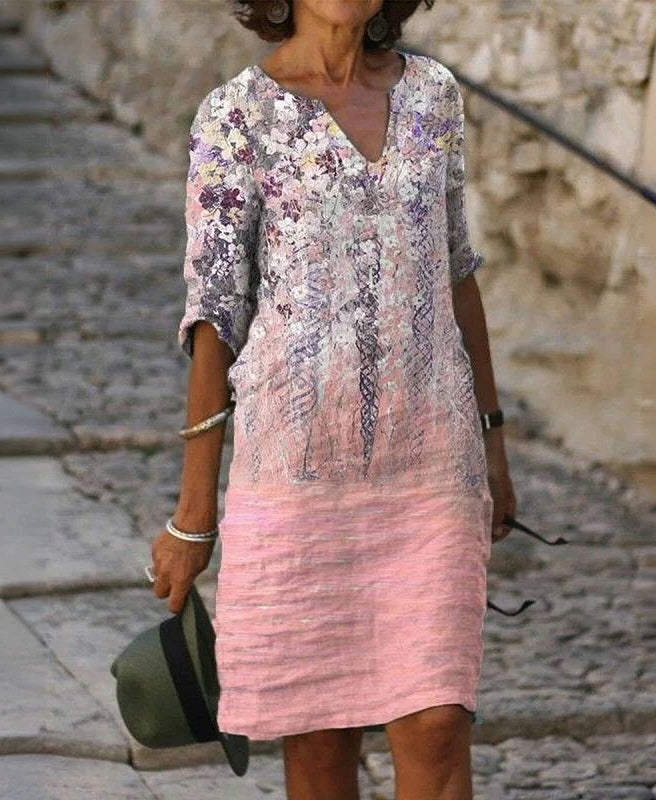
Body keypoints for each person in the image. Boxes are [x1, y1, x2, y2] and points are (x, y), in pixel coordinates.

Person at [150, 1, 516, 798]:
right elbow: (214, 316)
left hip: (432, 472)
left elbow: (457, 270)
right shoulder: (236, 115)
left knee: (438, 725)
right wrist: (193, 514)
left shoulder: (434, 96)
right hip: (295, 483)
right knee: (319, 747)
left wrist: (493, 439)